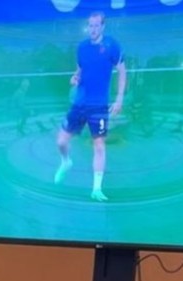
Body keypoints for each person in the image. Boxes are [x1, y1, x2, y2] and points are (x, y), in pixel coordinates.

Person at [54, 12, 127, 201]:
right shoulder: (82, 48)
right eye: (90, 26)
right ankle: (66, 162)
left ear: (103, 26)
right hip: (79, 103)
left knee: (99, 145)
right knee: (61, 141)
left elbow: (122, 71)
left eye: (96, 26)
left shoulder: (112, 46)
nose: (92, 29)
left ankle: (96, 189)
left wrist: (119, 98)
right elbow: (79, 71)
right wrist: (75, 77)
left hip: (99, 106)